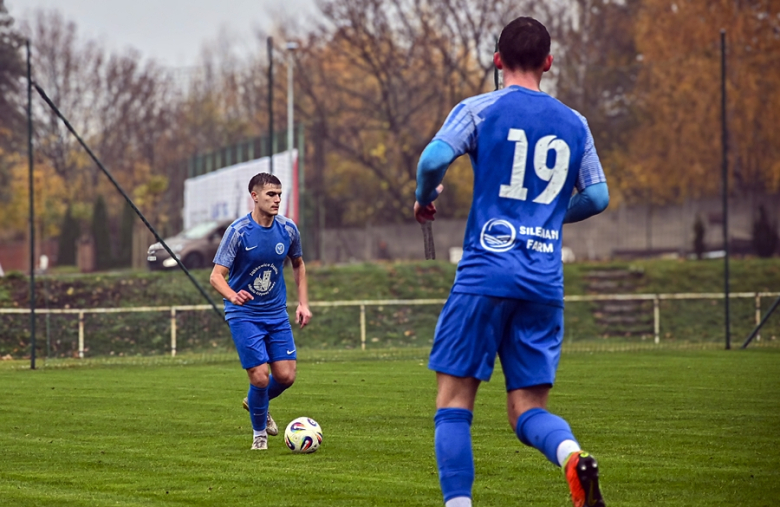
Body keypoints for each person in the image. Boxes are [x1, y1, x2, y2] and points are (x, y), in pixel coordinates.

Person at [414, 17, 610, 507]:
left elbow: (432, 160)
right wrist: (547, 218)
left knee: (454, 403)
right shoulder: (575, 123)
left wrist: (424, 196)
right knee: (526, 409)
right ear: (548, 62)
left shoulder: (478, 109)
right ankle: (571, 457)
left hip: (486, 273)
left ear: (497, 60)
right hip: (543, 282)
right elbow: (598, 196)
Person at [210, 172, 312, 450]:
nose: (277, 199)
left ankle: (257, 402)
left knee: (286, 376)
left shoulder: (288, 229)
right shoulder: (238, 232)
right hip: (244, 314)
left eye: (279, 194)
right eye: (271, 194)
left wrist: (303, 303)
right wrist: (233, 295)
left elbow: (298, 264)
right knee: (259, 376)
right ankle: (259, 437)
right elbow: (216, 276)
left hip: (276, 312)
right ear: (254, 196)